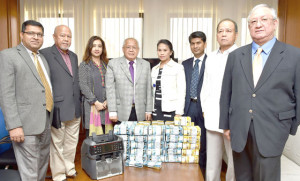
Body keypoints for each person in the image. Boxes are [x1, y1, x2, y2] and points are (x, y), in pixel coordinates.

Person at [219, 4, 300, 181]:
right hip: (240, 129)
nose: (258, 24)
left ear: (275, 23)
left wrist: (289, 127)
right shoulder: (236, 56)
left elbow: (298, 95)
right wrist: (225, 124)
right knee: (243, 177)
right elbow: (226, 93)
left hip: (274, 129)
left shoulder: (294, 55)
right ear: (249, 27)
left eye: (264, 20)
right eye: (253, 21)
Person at [0, 20, 53, 181]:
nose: (36, 37)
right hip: (24, 125)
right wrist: (14, 125)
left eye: (39, 34)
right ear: (22, 35)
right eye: (31, 33)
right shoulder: (8, 55)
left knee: (42, 166)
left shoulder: (42, 58)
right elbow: (5, 93)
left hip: (45, 120)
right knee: (30, 171)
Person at [40, 25, 81, 181]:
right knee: (57, 143)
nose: (66, 39)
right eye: (62, 36)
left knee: (72, 142)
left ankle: (69, 168)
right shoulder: (44, 54)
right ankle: (58, 175)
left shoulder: (74, 56)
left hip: (75, 106)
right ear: (54, 37)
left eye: (68, 36)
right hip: (57, 107)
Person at [200, 19, 238, 181]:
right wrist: (204, 108)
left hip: (233, 118)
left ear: (236, 35)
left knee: (234, 162)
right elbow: (206, 86)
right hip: (212, 115)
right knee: (212, 162)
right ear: (216, 35)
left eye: (228, 30)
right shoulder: (211, 57)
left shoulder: (241, 55)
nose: (224, 34)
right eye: (221, 30)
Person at [106, 38, 152, 122]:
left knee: (140, 135)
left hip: (141, 111)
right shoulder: (113, 64)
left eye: (134, 47)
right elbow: (110, 89)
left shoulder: (146, 64)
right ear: (123, 49)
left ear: (138, 50)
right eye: (128, 47)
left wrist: (148, 110)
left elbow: (149, 89)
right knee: (121, 135)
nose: (131, 50)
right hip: (121, 111)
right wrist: (112, 111)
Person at [182, 31, 207, 176]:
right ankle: (187, 175)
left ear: (204, 43)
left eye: (198, 43)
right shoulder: (184, 64)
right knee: (187, 142)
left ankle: (201, 174)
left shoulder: (211, 62)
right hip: (188, 106)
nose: (195, 46)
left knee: (203, 143)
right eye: (193, 43)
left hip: (203, 108)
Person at [79, 36, 113, 137]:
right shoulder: (84, 65)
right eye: (94, 46)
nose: (97, 48)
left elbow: (112, 84)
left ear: (103, 49)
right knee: (92, 140)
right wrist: (95, 102)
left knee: (107, 138)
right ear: (89, 48)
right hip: (92, 107)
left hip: (106, 106)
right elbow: (83, 85)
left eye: (99, 46)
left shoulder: (107, 65)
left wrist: (108, 100)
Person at [151, 39, 186, 120]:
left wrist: (179, 112)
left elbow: (181, 91)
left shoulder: (178, 68)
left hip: (171, 110)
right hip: (156, 110)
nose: (162, 53)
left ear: (171, 52)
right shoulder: (154, 69)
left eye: (165, 50)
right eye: (159, 50)